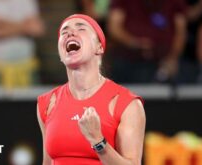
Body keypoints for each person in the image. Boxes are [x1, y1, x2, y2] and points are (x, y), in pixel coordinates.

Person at [37, 14, 146, 165]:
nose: (70, 33)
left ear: (99, 47)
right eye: (64, 32)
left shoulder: (127, 104)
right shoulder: (47, 103)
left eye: (81, 28)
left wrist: (98, 141)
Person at [108, 0, 187, 83]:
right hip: (128, 60)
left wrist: (172, 57)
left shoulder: (175, 2)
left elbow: (181, 33)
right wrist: (135, 43)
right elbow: (113, 28)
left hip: (163, 62)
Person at [0, 0, 44, 88]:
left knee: (30, 101)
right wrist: (24, 26)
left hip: (26, 69)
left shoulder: (27, 2)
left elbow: (36, 29)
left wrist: (1, 25)